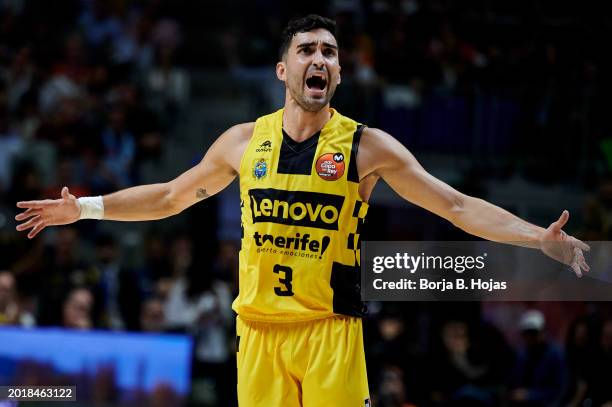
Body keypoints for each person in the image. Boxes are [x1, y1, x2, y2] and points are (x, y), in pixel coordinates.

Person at [15, 14, 590, 407]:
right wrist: (86, 208)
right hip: (258, 332)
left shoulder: (367, 146)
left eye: (330, 53)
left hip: (329, 332)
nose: (320, 59)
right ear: (284, 71)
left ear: (338, 73)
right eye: (307, 50)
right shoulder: (243, 142)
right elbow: (169, 197)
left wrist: (537, 238)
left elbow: (457, 206)